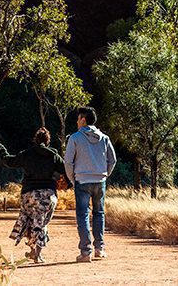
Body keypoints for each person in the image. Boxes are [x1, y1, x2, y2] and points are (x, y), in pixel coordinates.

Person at [0, 126, 66, 264]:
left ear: (35, 140)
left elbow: (9, 161)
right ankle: (37, 254)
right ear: (48, 141)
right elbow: (67, 172)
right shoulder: (54, 156)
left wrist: (0, 149)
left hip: (29, 195)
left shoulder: (27, 154)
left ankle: (33, 252)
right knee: (41, 223)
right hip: (48, 195)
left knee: (30, 222)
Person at [64, 106, 116, 263]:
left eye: (78, 118)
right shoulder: (105, 138)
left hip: (82, 180)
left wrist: (73, 179)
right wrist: (105, 174)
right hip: (100, 181)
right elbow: (112, 160)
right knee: (99, 214)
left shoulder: (74, 138)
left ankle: (86, 251)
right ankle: (100, 249)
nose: (77, 121)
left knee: (83, 215)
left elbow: (68, 162)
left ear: (83, 120)